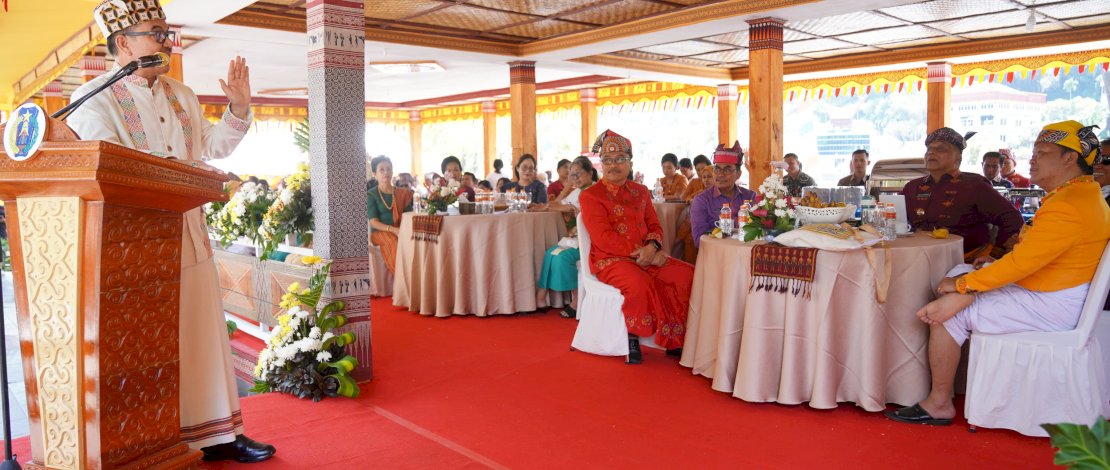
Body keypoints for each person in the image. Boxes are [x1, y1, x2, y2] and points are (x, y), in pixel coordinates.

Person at [67, 0, 274, 461]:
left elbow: (212, 149)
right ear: (123, 43)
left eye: (166, 32)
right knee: (148, 345)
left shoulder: (182, 94)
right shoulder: (93, 99)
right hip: (134, 246)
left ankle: (219, 434)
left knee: (202, 335)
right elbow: (108, 168)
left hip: (190, 235)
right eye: (155, 32)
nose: (165, 41)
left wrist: (239, 108)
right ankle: (157, 440)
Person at [885, 121, 1110, 427]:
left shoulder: (1068, 205)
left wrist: (964, 287)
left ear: (1069, 159)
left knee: (946, 310)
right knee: (954, 282)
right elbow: (1031, 255)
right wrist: (982, 271)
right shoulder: (1080, 196)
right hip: (1052, 290)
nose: (1032, 159)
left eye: (1042, 153)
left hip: (1049, 302)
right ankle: (957, 310)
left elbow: (1021, 265)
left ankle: (938, 403)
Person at [579, 130, 695, 364]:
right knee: (639, 284)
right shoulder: (590, 196)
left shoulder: (641, 191)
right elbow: (604, 238)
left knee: (687, 275)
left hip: (648, 254)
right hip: (611, 260)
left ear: (630, 162)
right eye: (608, 160)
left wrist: (652, 247)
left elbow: (655, 225)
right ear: (601, 165)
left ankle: (675, 335)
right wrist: (646, 255)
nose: (614, 165)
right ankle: (632, 336)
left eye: (620, 159)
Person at [901, 127, 1023, 262]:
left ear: (958, 157)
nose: (931, 152)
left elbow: (1012, 218)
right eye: (928, 149)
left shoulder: (974, 184)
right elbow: (893, 219)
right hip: (918, 259)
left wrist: (995, 255)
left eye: (940, 149)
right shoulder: (912, 187)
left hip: (966, 262)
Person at [537, 157, 597, 318]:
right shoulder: (576, 191)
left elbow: (564, 208)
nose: (575, 178)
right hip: (574, 238)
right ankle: (541, 296)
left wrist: (567, 207)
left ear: (590, 173)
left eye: (579, 174)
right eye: (572, 175)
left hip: (590, 241)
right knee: (550, 253)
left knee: (562, 258)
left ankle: (576, 301)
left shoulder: (595, 191)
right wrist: (567, 188)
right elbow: (555, 205)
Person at [690, 142, 757, 247]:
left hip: (746, 253)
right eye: (717, 169)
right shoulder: (702, 200)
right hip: (717, 255)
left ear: (738, 174)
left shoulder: (750, 197)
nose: (720, 174)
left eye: (727, 169)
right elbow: (699, 239)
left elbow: (760, 229)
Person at [367, 156, 413, 276]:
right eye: (381, 169)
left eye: (388, 169)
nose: (386, 172)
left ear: (392, 172)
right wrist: (393, 230)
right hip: (379, 233)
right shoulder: (371, 194)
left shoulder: (402, 193)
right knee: (393, 240)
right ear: (374, 174)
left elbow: (409, 216)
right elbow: (373, 222)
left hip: (400, 229)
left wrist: (404, 230)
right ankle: (402, 282)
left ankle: (418, 280)